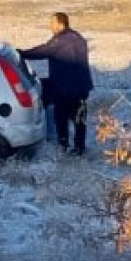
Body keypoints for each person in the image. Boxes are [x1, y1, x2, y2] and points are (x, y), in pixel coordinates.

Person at [21, 12, 93, 155]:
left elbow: (43, 51)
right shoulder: (78, 37)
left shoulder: (60, 41)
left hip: (65, 87)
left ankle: (63, 146)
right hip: (81, 86)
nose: (50, 26)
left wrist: (22, 53)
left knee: (61, 118)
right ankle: (80, 147)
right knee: (79, 118)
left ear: (61, 24)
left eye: (52, 23)